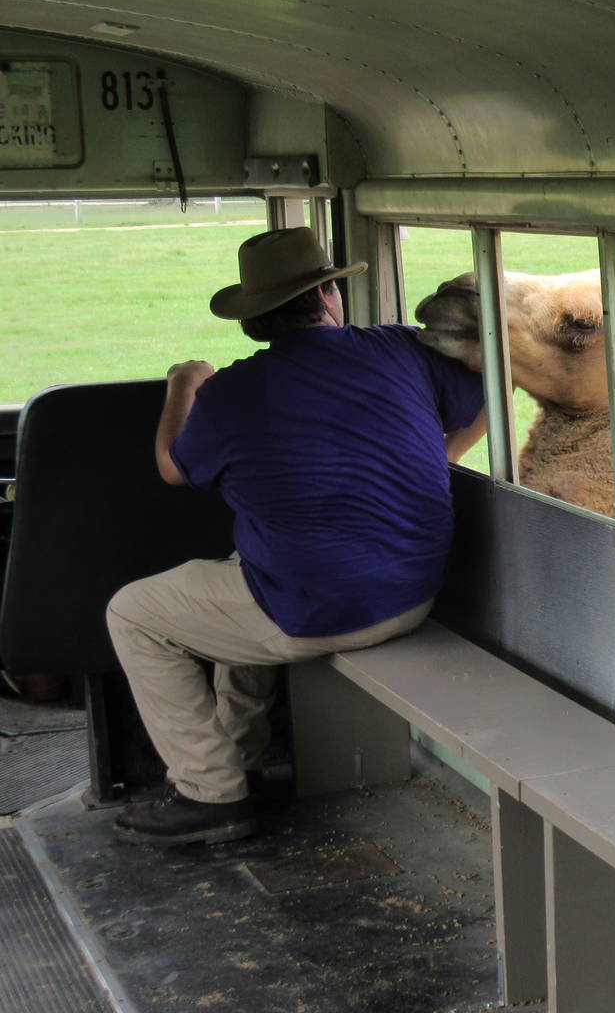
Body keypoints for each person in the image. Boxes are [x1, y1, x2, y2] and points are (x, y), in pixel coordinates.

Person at [107, 227, 486, 846]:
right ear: (331, 294)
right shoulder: (400, 351)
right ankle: (241, 752)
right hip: (412, 596)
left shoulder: (228, 393)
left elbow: (172, 468)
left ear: (253, 319)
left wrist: (185, 381)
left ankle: (210, 794)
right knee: (237, 574)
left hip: (319, 610)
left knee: (132, 614)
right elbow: (481, 402)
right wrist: (437, 457)